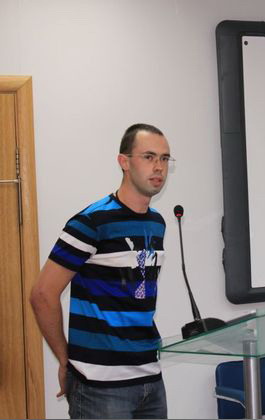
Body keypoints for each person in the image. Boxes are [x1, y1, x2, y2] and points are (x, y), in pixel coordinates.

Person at [30, 123, 173, 419]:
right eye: (148, 157)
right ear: (124, 162)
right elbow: (42, 294)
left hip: (150, 378)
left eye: (164, 158)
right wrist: (65, 360)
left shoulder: (156, 223)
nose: (159, 167)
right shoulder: (92, 222)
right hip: (100, 386)